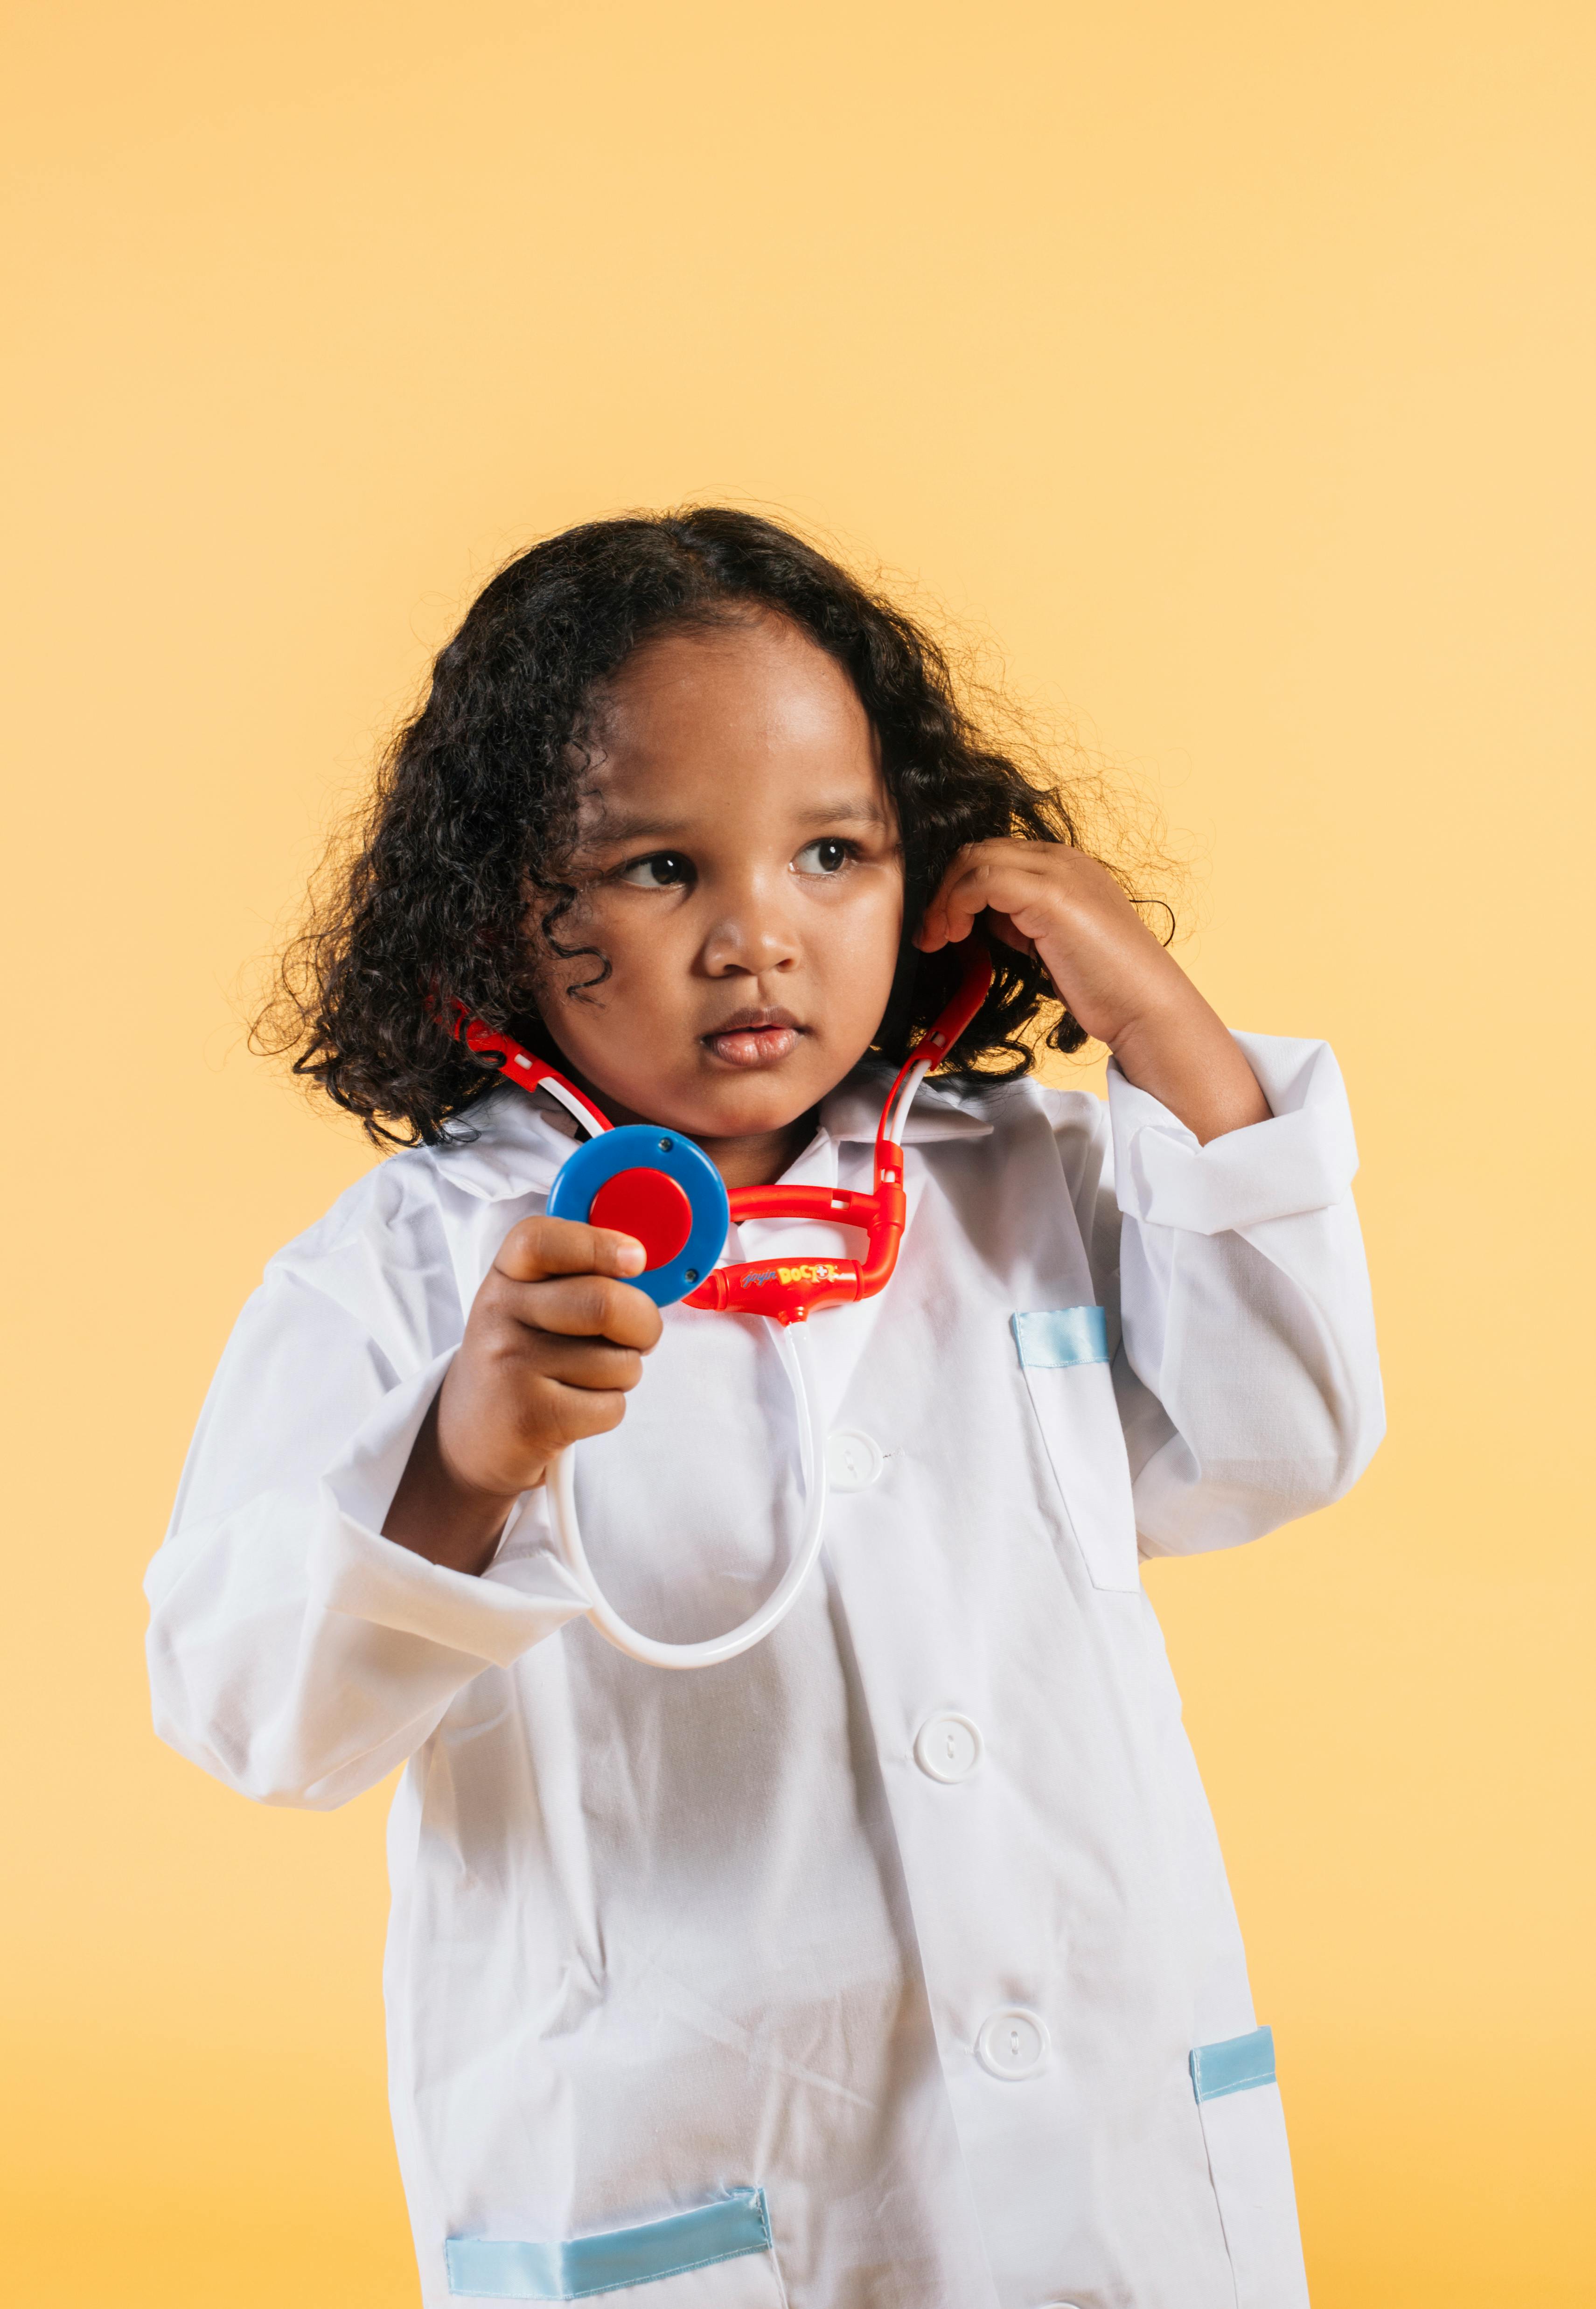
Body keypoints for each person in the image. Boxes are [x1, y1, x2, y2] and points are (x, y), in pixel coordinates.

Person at [146, 508, 1383, 2309]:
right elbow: (252, 1711)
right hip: (689, 2154)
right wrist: (462, 1470)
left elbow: (1274, 1444)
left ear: (932, 869)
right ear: (505, 900)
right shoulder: (417, 1267)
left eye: (830, 852)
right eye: (660, 869)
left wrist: (1167, 1030)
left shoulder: (1020, 1177)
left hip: (1102, 2136)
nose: (758, 938)